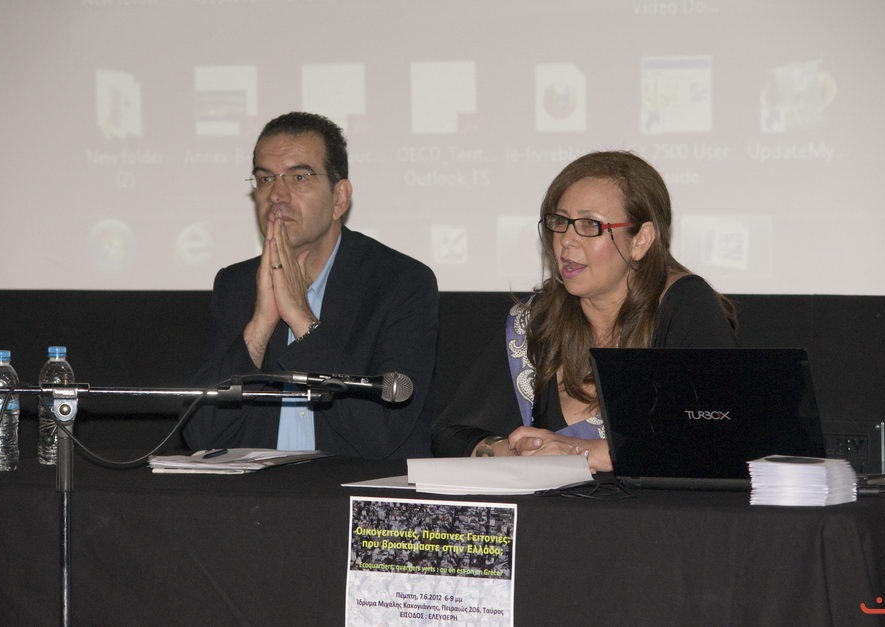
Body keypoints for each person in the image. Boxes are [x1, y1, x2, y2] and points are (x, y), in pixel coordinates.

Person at [431, 150, 737, 471]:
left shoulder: (684, 304)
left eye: (590, 225)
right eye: (560, 222)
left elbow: (719, 435)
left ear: (641, 240)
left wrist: (581, 452)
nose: (566, 241)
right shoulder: (538, 320)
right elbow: (450, 434)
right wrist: (516, 452)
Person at [183, 112, 438, 459]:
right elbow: (201, 434)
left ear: (340, 198)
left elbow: (382, 433)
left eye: (299, 177)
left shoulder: (400, 283)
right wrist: (260, 326)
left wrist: (303, 322)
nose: (277, 194)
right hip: (258, 489)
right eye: (265, 179)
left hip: (349, 487)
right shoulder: (236, 284)